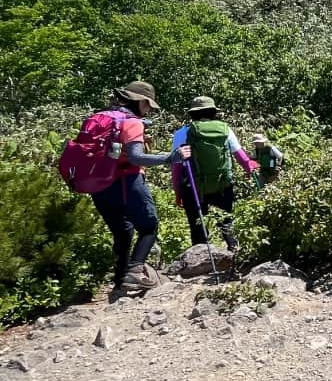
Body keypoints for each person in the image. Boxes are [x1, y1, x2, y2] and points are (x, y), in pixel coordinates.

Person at [93, 81, 188, 291]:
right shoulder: (132, 122)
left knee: (123, 230)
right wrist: (170, 158)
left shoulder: (101, 118)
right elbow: (136, 158)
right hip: (127, 181)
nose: (148, 110)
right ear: (140, 102)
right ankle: (135, 271)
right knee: (148, 226)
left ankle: (120, 278)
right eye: (147, 105)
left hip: (99, 184)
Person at [171, 96, 257, 252]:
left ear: (192, 114)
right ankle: (234, 252)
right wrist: (252, 169)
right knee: (226, 223)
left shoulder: (181, 133)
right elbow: (240, 156)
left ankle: (200, 258)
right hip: (222, 184)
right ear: (213, 112)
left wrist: (178, 192)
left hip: (192, 186)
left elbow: (176, 167)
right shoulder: (225, 129)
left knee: (197, 225)